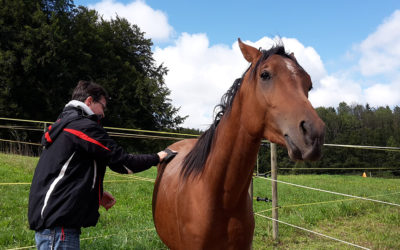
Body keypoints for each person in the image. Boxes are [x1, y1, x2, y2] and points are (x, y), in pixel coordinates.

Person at [28, 80, 176, 249]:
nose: (103, 114)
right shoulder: (81, 127)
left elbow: (66, 171)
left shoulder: (64, 125)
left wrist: (95, 192)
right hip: (59, 227)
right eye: (103, 107)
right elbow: (123, 162)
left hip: (52, 226)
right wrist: (158, 157)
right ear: (89, 101)